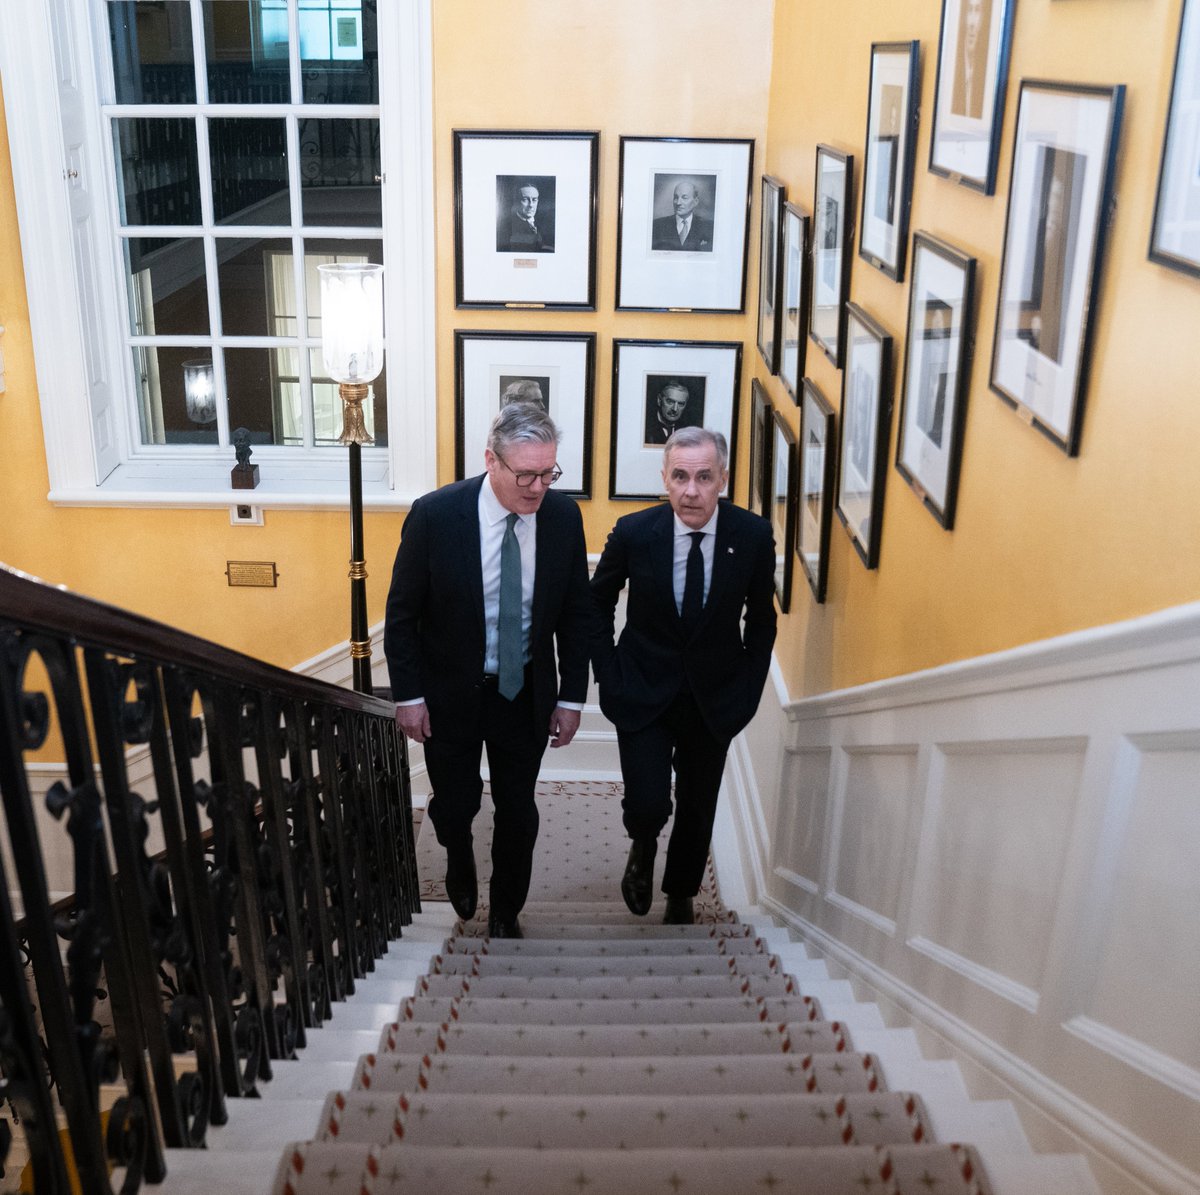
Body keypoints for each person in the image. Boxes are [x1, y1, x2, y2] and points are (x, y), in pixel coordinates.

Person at [384, 402, 590, 938]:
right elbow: (402, 613)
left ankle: (505, 911)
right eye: (525, 474)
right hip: (449, 692)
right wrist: (407, 694)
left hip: (523, 692)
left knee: (518, 810)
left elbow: (575, 614)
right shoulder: (435, 515)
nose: (538, 487)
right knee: (456, 805)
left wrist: (572, 697)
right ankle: (457, 855)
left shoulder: (564, 518)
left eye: (548, 473)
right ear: (490, 462)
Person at [590, 427, 777, 925]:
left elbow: (762, 621)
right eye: (680, 477)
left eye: (703, 477)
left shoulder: (753, 537)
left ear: (723, 480)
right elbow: (596, 604)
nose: (691, 490)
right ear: (665, 480)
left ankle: (681, 893)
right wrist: (609, 673)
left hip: (714, 698)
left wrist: (746, 694)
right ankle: (644, 845)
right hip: (642, 688)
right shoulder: (634, 533)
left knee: (698, 804)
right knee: (649, 801)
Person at [951, 0, 989, 119]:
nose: (972, 23)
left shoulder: (985, 70)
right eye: (969, 10)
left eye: (977, 10)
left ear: (983, 18)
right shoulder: (953, 66)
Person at [651, 180, 714, 252]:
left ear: (696, 201)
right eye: (676, 197)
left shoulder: (709, 227)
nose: (678, 202)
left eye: (684, 198)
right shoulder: (657, 225)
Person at [497, 182, 551, 253]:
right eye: (525, 199)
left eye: (534, 200)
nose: (531, 205)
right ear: (516, 201)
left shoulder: (545, 224)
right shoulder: (506, 227)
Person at [644, 380, 697, 444]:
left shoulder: (689, 432)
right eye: (670, 401)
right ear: (659, 400)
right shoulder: (644, 428)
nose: (675, 409)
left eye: (681, 404)